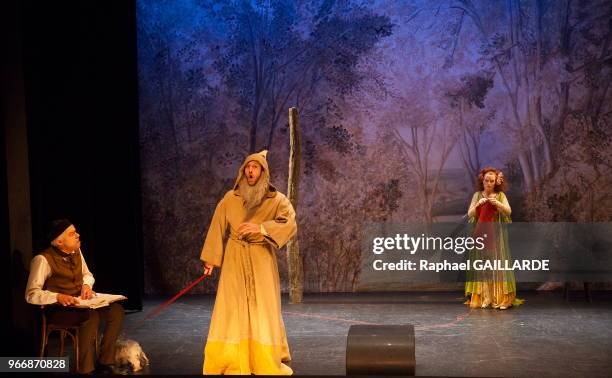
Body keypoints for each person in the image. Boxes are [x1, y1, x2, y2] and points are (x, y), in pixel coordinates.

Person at [200, 150, 297, 375]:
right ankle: (232, 357)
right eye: (247, 167)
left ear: (263, 172)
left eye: (255, 167)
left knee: (262, 307)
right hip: (235, 257)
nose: (250, 171)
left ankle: (263, 357)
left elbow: (289, 221)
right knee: (232, 307)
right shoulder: (230, 198)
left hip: (260, 257)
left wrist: (262, 228)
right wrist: (211, 260)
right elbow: (217, 226)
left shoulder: (276, 199)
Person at [25, 219, 124, 374]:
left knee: (116, 311)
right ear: (59, 241)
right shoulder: (42, 259)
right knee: (91, 317)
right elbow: (31, 294)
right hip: (58, 310)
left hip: (79, 304)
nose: (78, 235)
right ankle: (86, 368)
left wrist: (86, 285)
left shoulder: (76, 252)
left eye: (76, 231)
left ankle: (105, 361)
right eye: (72, 234)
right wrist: (57, 296)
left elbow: (87, 274)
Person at [464, 167, 523, 310]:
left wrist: (498, 204)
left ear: (495, 182)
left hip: (496, 236)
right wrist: (478, 205)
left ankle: (500, 297)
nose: (488, 183)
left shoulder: (500, 195)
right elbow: (470, 214)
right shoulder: (477, 195)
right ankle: (485, 297)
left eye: (491, 181)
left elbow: (508, 211)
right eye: (486, 181)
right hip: (482, 235)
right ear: (482, 180)